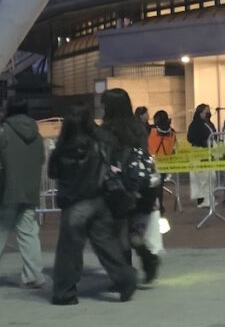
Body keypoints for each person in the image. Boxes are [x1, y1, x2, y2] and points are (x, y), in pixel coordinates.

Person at [50, 105, 137, 304]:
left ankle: (64, 292)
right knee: (107, 245)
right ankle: (126, 279)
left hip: (74, 205)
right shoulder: (99, 144)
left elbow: (53, 173)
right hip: (98, 200)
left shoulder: (62, 149)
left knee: (69, 251)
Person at [101, 88, 161, 283]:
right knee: (134, 230)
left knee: (119, 230)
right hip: (142, 183)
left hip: (119, 186)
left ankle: (125, 274)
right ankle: (147, 258)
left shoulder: (107, 130)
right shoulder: (138, 127)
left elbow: (106, 159)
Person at [0, 97, 46, 290]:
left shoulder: (4, 132)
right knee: (29, 233)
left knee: (1, 232)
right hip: (30, 190)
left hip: (7, 191)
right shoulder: (37, 135)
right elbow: (42, 159)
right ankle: (34, 276)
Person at [147, 110, 176, 214]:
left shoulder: (150, 129)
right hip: (165, 161)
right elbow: (173, 148)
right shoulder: (172, 132)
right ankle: (160, 205)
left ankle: (155, 205)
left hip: (152, 160)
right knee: (160, 185)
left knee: (153, 186)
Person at [187, 104, 216, 206]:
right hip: (199, 152)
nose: (208, 113)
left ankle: (209, 197)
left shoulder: (208, 123)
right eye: (206, 111)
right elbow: (190, 137)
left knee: (210, 176)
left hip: (208, 152)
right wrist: (202, 141)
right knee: (202, 176)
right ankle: (202, 199)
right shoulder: (195, 124)